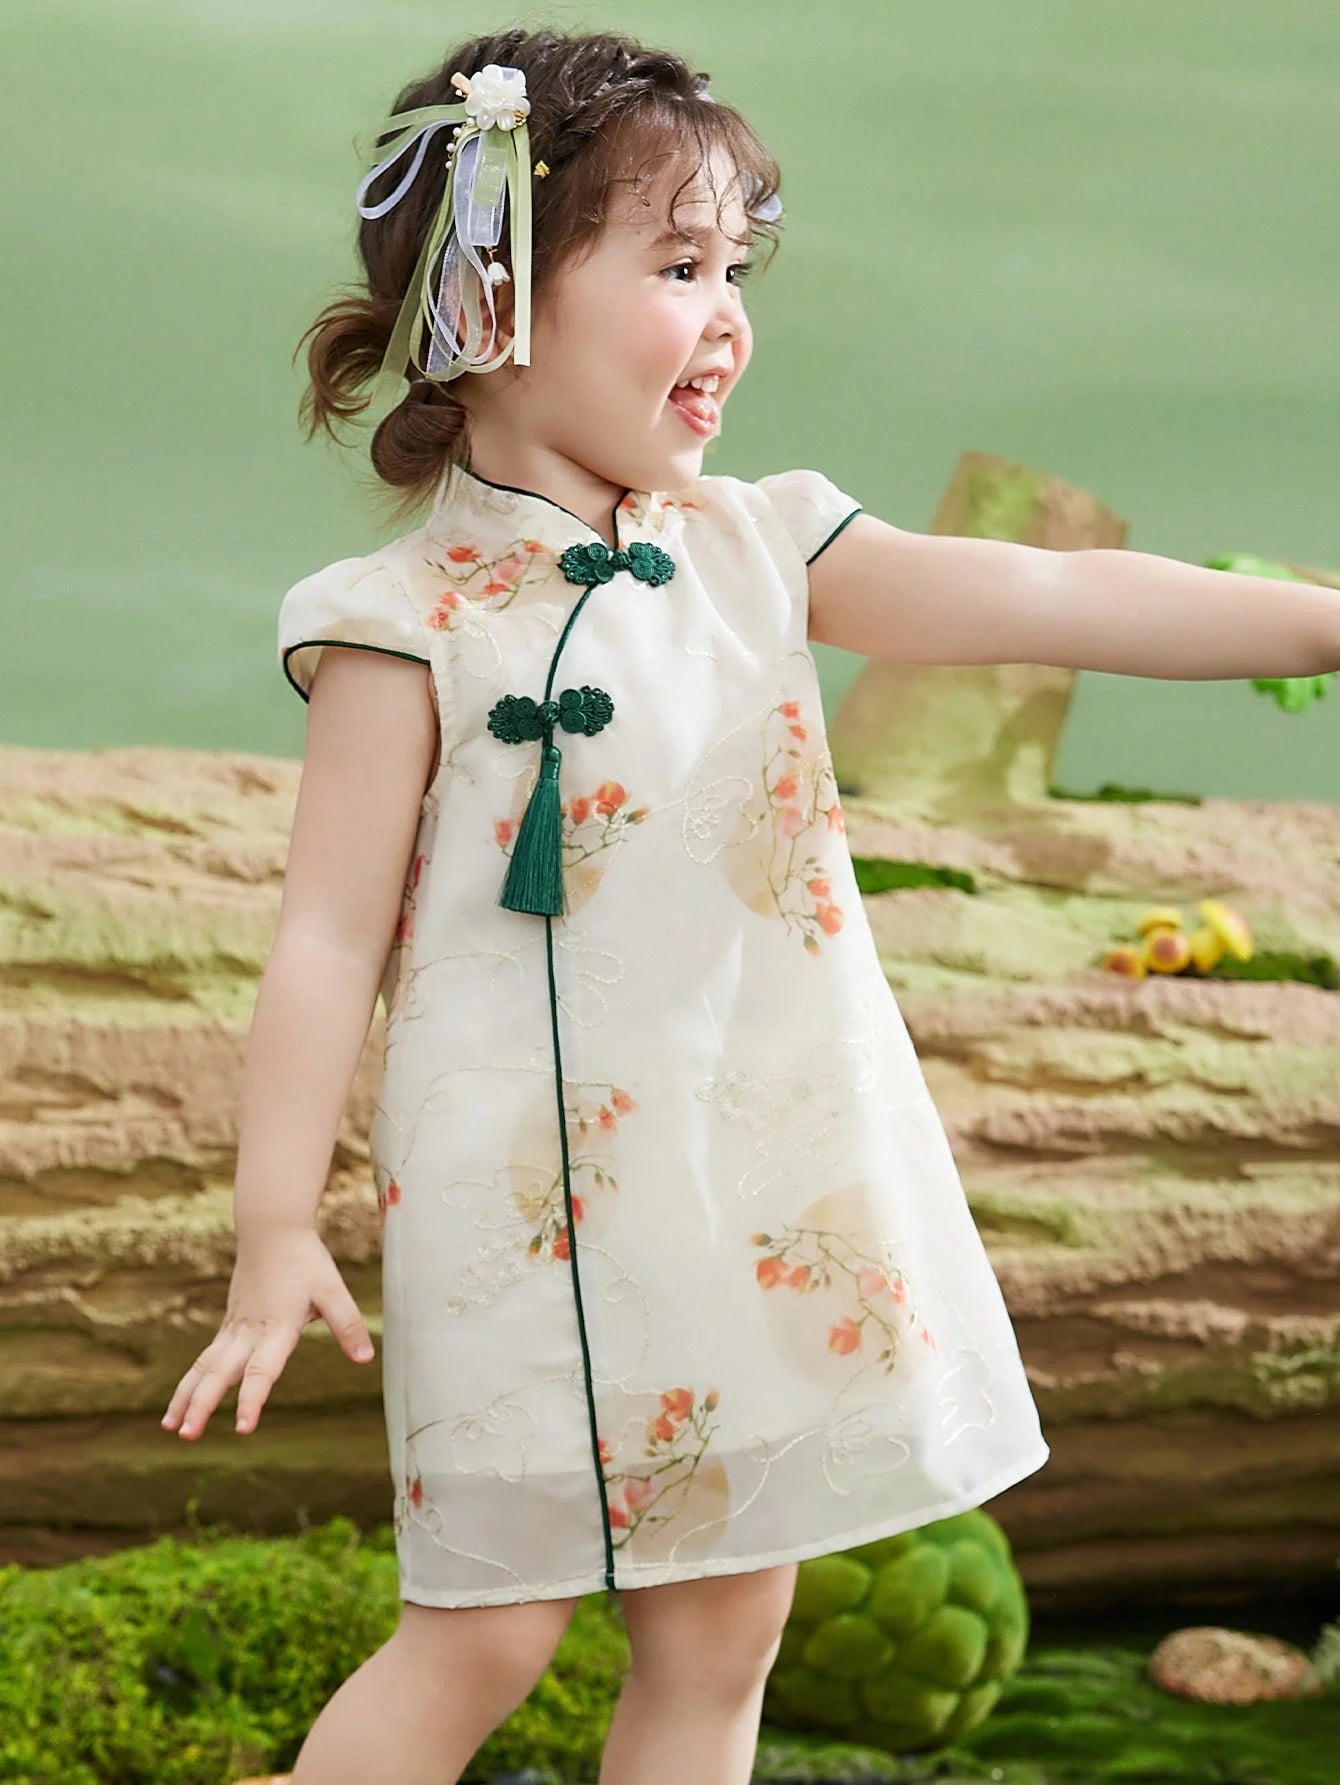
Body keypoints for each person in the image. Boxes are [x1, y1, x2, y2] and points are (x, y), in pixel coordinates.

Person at [158, 24, 1340, 1785]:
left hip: (749, 1185)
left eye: (737, 270)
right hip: (519, 1219)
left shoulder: (763, 544)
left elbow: (1049, 595)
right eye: (677, 267)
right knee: (485, 1634)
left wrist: (1321, 619)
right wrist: (274, 1224)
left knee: (725, 1634)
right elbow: (326, 940)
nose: (727, 319)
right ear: (494, 296)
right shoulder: (397, 618)